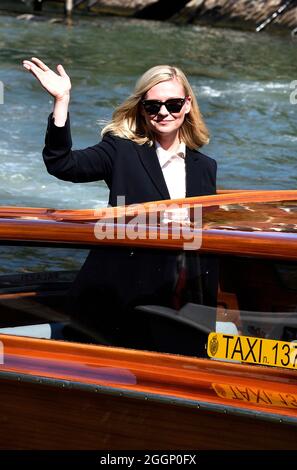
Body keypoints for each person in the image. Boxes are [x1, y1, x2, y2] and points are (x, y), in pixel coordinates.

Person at [22, 57, 218, 351]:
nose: (163, 113)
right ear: (142, 108)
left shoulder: (205, 167)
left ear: (187, 105)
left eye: (173, 104)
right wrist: (62, 100)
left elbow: (209, 237)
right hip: (116, 301)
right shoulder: (121, 150)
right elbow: (63, 164)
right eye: (153, 106)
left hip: (179, 304)